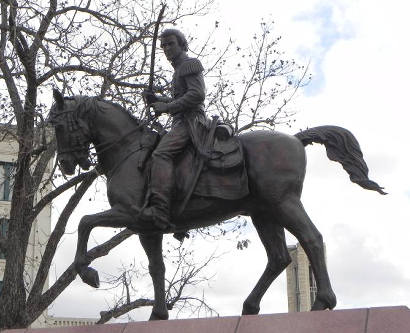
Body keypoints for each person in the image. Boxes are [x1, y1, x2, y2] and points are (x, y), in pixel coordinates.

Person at [140, 28, 207, 230]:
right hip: (180, 122)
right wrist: (157, 100)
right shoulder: (177, 70)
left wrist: (167, 107)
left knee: (161, 154)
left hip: (191, 122)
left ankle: (161, 209)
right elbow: (180, 98)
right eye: (163, 46)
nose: (166, 48)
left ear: (182, 44)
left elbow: (197, 95)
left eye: (171, 44)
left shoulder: (189, 65)